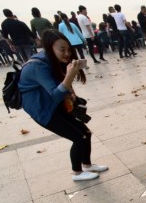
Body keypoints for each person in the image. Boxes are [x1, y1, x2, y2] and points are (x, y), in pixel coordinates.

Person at [18, 29, 107, 181]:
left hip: (56, 105)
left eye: (68, 49)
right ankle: (77, 173)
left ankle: (87, 165)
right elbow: (55, 93)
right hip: (44, 111)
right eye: (62, 49)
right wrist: (70, 75)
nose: (67, 53)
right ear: (49, 48)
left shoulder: (53, 60)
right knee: (79, 137)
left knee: (86, 133)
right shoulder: (38, 66)